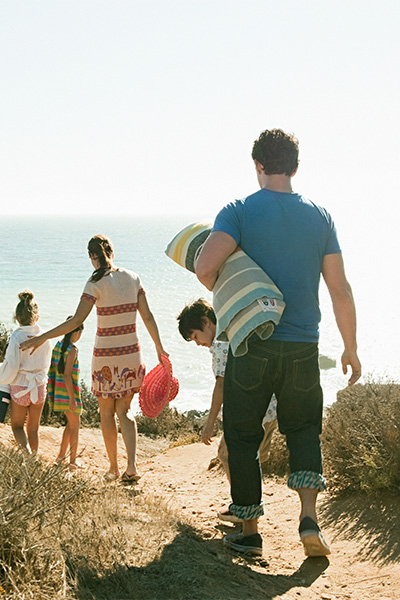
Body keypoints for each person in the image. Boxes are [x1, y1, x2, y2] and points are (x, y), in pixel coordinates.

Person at [195, 129, 361, 558]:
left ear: (258, 165)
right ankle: (309, 520)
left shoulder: (240, 212)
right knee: (304, 429)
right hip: (304, 344)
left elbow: (205, 266)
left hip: (252, 344)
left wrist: (234, 285)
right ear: (295, 166)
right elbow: (340, 289)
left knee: (244, 433)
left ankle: (249, 530)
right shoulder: (320, 217)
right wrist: (351, 347)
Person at [20, 234, 167, 482]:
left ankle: (113, 468)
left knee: (106, 412)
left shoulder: (94, 283)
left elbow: (77, 321)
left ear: (92, 257)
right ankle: (132, 467)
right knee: (125, 411)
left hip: (106, 357)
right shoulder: (133, 278)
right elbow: (148, 317)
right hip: (131, 353)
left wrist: (41, 337)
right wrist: (160, 349)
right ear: (111, 250)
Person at [177, 298, 278, 524]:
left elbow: (221, 385)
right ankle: (248, 505)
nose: (197, 343)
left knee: (228, 456)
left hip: (249, 413)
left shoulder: (221, 344)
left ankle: (242, 507)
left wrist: (209, 422)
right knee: (254, 459)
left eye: (195, 336)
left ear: (206, 322)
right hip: (269, 408)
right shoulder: (236, 327)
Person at [0, 290, 52, 454]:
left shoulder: (16, 337)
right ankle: (34, 457)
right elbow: (47, 365)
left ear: (17, 318)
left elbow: (11, 366)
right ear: (36, 317)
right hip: (39, 386)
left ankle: (26, 454)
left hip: (20, 387)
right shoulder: (45, 337)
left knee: (17, 426)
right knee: (33, 428)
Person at [47, 320, 84, 470]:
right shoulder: (72, 350)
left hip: (59, 393)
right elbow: (67, 375)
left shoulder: (58, 345)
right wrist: (73, 398)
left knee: (70, 425)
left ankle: (61, 457)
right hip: (68, 393)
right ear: (76, 332)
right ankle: (72, 461)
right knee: (75, 426)